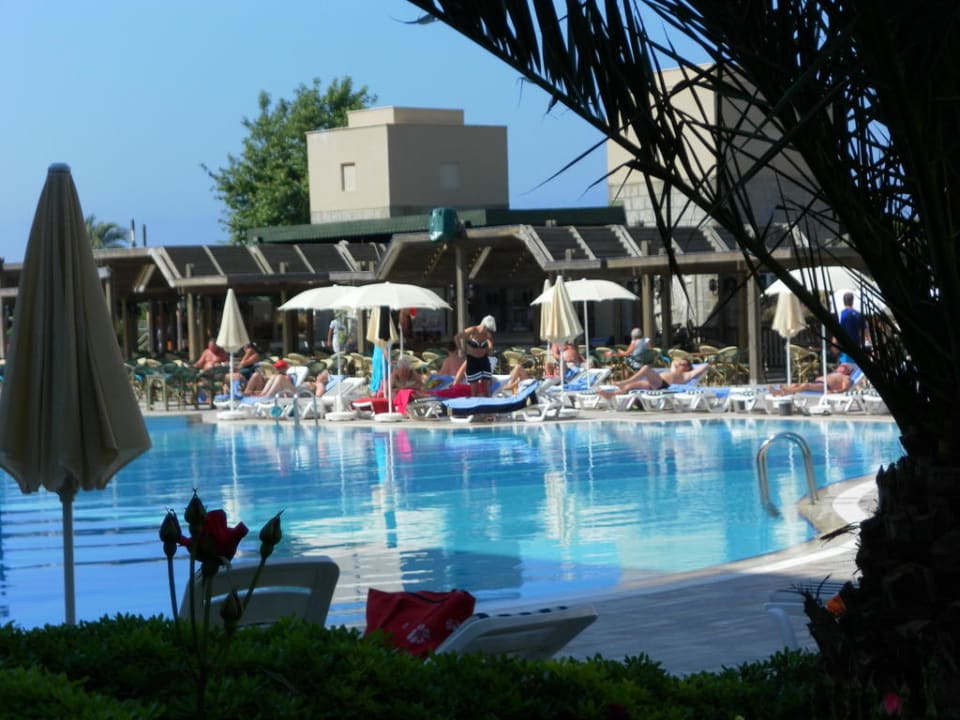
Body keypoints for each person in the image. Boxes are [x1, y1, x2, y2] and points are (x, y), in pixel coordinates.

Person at [599, 357, 708, 397]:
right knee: (631, 386)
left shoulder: (687, 374)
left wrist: (692, 367)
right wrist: (679, 363)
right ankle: (611, 394)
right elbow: (674, 361)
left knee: (646, 368)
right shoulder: (674, 370)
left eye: (683, 364)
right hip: (655, 383)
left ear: (688, 367)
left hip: (663, 384)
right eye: (680, 364)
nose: (679, 365)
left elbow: (705, 366)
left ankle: (624, 382)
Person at [455, 315, 496, 397]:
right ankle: (475, 404)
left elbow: (491, 341)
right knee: (474, 390)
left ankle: (489, 403)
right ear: (483, 325)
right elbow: (457, 337)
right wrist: (461, 349)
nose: (488, 331)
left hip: (484, 360)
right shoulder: (472, 330)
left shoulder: (487, 334)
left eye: (489, 330)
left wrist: (490, 349)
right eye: (487, 329)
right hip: (473, 361)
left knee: (487, 389)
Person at [770, 362, 855, 395]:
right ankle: (781, 391)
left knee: (806, 385)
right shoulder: (835, 373)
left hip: (826, 386)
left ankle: (783, 392)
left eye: (844, 367)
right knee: (796, 384)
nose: (841, 367)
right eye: (841, 366)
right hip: (819, 383)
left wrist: (834, 392)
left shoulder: (846, 378)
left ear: (848, 371)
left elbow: (845, 388)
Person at [833, 292, 867, 364]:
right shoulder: (859, 315)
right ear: (852, 301)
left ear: (843, 301)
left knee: (845, 368)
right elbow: (864, 334)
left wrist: (834, 346)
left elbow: (836, 332)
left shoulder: (840, 314)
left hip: (845, 350)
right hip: (857, 349)